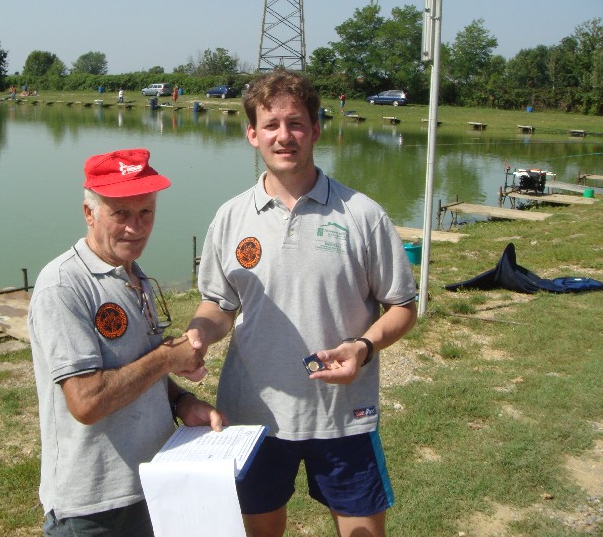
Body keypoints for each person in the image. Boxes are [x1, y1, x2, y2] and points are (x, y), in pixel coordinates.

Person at [185, 69, 417, 537]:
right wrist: (199, 334)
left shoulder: (362, 214)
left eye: (295, 123)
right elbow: (218, 305)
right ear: (252, 134)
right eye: (270, 124)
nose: (283, 136)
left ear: (315, 129)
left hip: (344, 416)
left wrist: (363, 348)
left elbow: (403, 306)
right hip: (254, 417)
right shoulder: (230, 217)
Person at [29, 148, 223, 537]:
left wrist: (182, 403)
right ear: (89, 213)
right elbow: (87, 401)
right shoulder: (64, 286)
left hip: (150, 484)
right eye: (120, 214)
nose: (136, 228)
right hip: (91, 507)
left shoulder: (134, 276)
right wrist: (167, 358)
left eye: (146, 212)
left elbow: (137, 369)